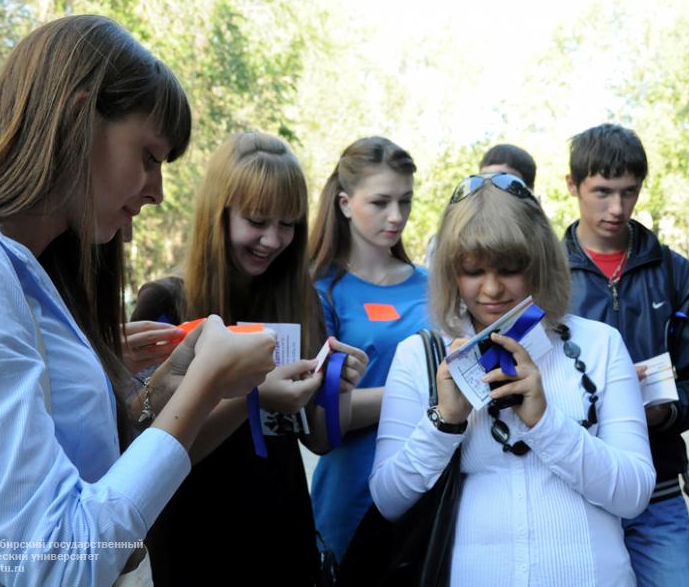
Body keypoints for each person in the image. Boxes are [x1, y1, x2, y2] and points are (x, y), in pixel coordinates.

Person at [0, 15, 279, 587]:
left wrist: (165, 387)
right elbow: (56, 561)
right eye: (148, 155)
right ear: (77, 118)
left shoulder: (30, 273)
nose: (157, 190)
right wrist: (204, 388)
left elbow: (83, 482)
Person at [370, 172, 656, 586]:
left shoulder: (599, 344)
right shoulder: (421, 357)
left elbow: (634, 494)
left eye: (509, 268)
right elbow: (388, 499)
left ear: (540, 262)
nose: (491, 289)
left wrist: (545, 422)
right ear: (451, 270)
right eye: (472, 270)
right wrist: (445, 421)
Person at [130, 131, 368, 586]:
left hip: (283, 535)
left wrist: (339, 386)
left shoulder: (301, 301)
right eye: (257, 220)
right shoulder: (166, 304)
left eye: (288, 223)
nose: (272, 240)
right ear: (219, 215)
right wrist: (252, 396)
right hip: (195, 539)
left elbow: (319, 439)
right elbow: (147, 451)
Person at [564, 123, 689, 586]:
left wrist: (669, 412)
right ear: (572, 185)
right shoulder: (543, 271)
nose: (617, 208)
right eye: (602, 191)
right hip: (572, 492)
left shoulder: (674, 272)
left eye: (629, 192)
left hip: (657, 489)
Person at [307, 136, 429, 562]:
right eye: (380, 202)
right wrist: (426, 394)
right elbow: (321, 419)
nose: (396, 217)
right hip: (351, 495)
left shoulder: (435, 284)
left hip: (428, 494)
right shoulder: (321, 289)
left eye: (406, 201)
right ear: (344, 203)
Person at [424, 142, 537, 268]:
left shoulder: (541, 242)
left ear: (528, 192)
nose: (490, 188)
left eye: (504, 181)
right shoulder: (447, 240)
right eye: (483, 179)